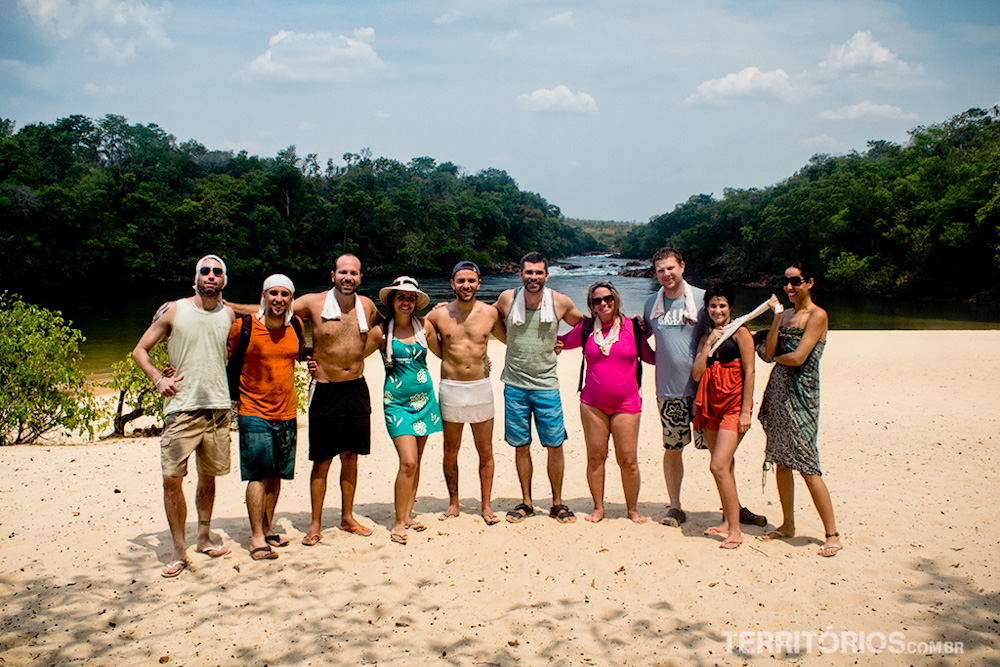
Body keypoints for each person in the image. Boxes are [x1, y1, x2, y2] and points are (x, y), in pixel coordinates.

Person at [250, 254, 380, 545]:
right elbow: (271, 312)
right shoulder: (313, 303)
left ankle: (347, 518)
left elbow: (396, 324)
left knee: (351, 457)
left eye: (354, 273)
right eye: (343, 272)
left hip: (356, 387)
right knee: (322, 461)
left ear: (360, 277)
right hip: (326, 389)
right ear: (332, 275)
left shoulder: (367, 307)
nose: (349, 277)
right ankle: (315, 523)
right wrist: (224, 306)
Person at [643, 247, 766, 528]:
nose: (666, 274)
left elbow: (729, 330)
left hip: (705, 391)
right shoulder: (651, 303)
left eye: (670, 268)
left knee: (720, 455)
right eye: (660, 270)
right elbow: (643, 336)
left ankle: (731, 508)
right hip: (668, 390)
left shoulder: (702, 299)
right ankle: (675, 507)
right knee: (673, 447)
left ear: (682, 266)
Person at [132, 254, 236, 578]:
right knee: (170, 479)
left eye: (217, 272)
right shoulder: (173, 309)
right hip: (181, 409)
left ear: (224, 280)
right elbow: (140, 350)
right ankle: (179, 548)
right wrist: (158, 378)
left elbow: (231, 351)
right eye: (204, 271)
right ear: (195, 278)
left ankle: (203, 537)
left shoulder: (230, 314)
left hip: (218, 408)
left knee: (208, 476)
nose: (210, 276)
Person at [757, 262, 843, 557]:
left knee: (807, 464)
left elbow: (797, 357)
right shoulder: (786, 314)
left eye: (796, 281)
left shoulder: (817, 315)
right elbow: (770, 351)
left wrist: (774, 354)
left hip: (802, 394)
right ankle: (788, 524)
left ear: (810, 283)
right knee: (781, 460)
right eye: (786, 282)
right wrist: (777, 316)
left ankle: (832, 533)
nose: (790, 287)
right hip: (778, 392)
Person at [494, 252, 585, 523]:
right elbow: (484, 317)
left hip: (546, 385)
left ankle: (557, 503)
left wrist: (564, 343)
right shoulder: (507, 299)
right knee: (521, 446)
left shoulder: (560, 301)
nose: (534, 277)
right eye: (529, 273)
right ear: (519, 274)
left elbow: (584, 326)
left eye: (539, 273)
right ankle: (526, 502)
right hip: (515, 384)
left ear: (547, 275)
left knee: (554, 444)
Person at [555, 280, 655, 523]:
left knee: (628, 460)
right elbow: (559, 340)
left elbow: (652, 357)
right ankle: (598, 508)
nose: (603, 303)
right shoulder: (586, 328)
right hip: (592, 404)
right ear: (591, 305)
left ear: (616, 298)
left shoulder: (632, 326)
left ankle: (632, 509)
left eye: (607, 298)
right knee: (596, 457)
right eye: (597, 300)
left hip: (627, 404)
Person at [227, 274, 304, 561]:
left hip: (286, 411)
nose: (278, 299)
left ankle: (268, 526)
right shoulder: (243, 327)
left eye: (284, 294)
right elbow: (220, 354)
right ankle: (257, 536)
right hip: (252, 412)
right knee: (258, 475)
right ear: (263, 295)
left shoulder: (295, 325)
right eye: (273, 293)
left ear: (291, 299)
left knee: (276, 475)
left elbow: (298, 356)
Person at [427, 261, 506, 525]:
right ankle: (453, 503)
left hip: (480, 387)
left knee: (485, 450)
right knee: (451, 450)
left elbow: (513, 337)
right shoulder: (438, 315)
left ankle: (486, 505)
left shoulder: (491, 313)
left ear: (479, 283)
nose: (466, 285)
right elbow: (410, 330)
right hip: (451, 387)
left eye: (471, 281)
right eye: (461, 281)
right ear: (452, 284)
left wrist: (554, 342)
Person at [369, 277, 443, 545]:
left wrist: (480, 359)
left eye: (411, 298)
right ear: (392, 301)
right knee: (408, 461)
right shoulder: (381, 332)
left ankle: (408, 514)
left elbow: (446, 353)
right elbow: (354, 357)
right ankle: (399, 522)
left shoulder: (424, 327)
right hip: (396, 404)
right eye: (401, 297)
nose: (406, 302)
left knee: (416, 462)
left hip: (425, 403)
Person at [690, 285, 755, 549]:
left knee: (717, 465)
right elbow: (696, 373)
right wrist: (707, 343)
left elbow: (750, 372)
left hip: (733, 404)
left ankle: (736, 530)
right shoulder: (707, 336)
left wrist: (746, 411)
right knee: (724, 467)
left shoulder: (740, 333)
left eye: (722, 306)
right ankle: (728, 521)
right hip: (711, 404)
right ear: (707, 309)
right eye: (713, 306)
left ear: (731, 308)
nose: (717, 310)